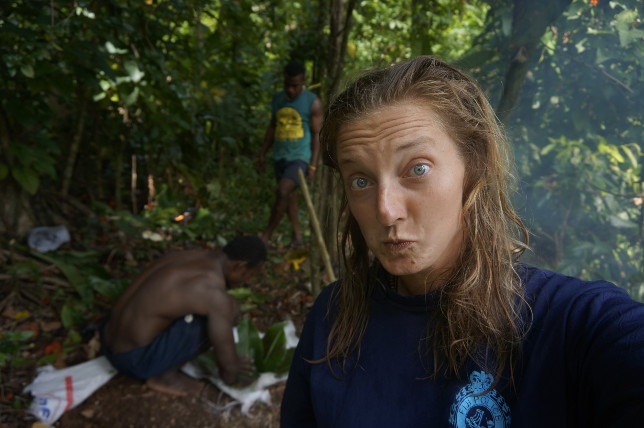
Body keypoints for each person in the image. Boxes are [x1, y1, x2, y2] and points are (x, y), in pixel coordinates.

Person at [280, 56, 644, 427]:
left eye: (417, 169)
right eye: (360, 180)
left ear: (474, 166)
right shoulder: (332, 318)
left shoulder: (567, 323)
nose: (386, 211)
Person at [101, 236, 266, 396]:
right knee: (226, 310)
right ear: (239, 266)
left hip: (107, 337)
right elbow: (229, 373)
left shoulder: (189, 256)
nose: (249, 281)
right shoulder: (212, 293)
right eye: (250, 274)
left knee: (218, 310)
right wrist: (235, 371)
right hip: (133, 361)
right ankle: (165, 376)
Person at [257, 60, 323, 246]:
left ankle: (267, 234)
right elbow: (272, 126)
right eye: (287, 85)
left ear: (302, 82)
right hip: (280, 156)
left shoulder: (313, 102)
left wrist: (312, 164)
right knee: (289, 196)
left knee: (283, 190)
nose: (290, 90)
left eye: (294, 86)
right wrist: (262, 153)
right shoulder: (277, 99)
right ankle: (297, 236)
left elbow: (317, 134)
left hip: (300, 158)